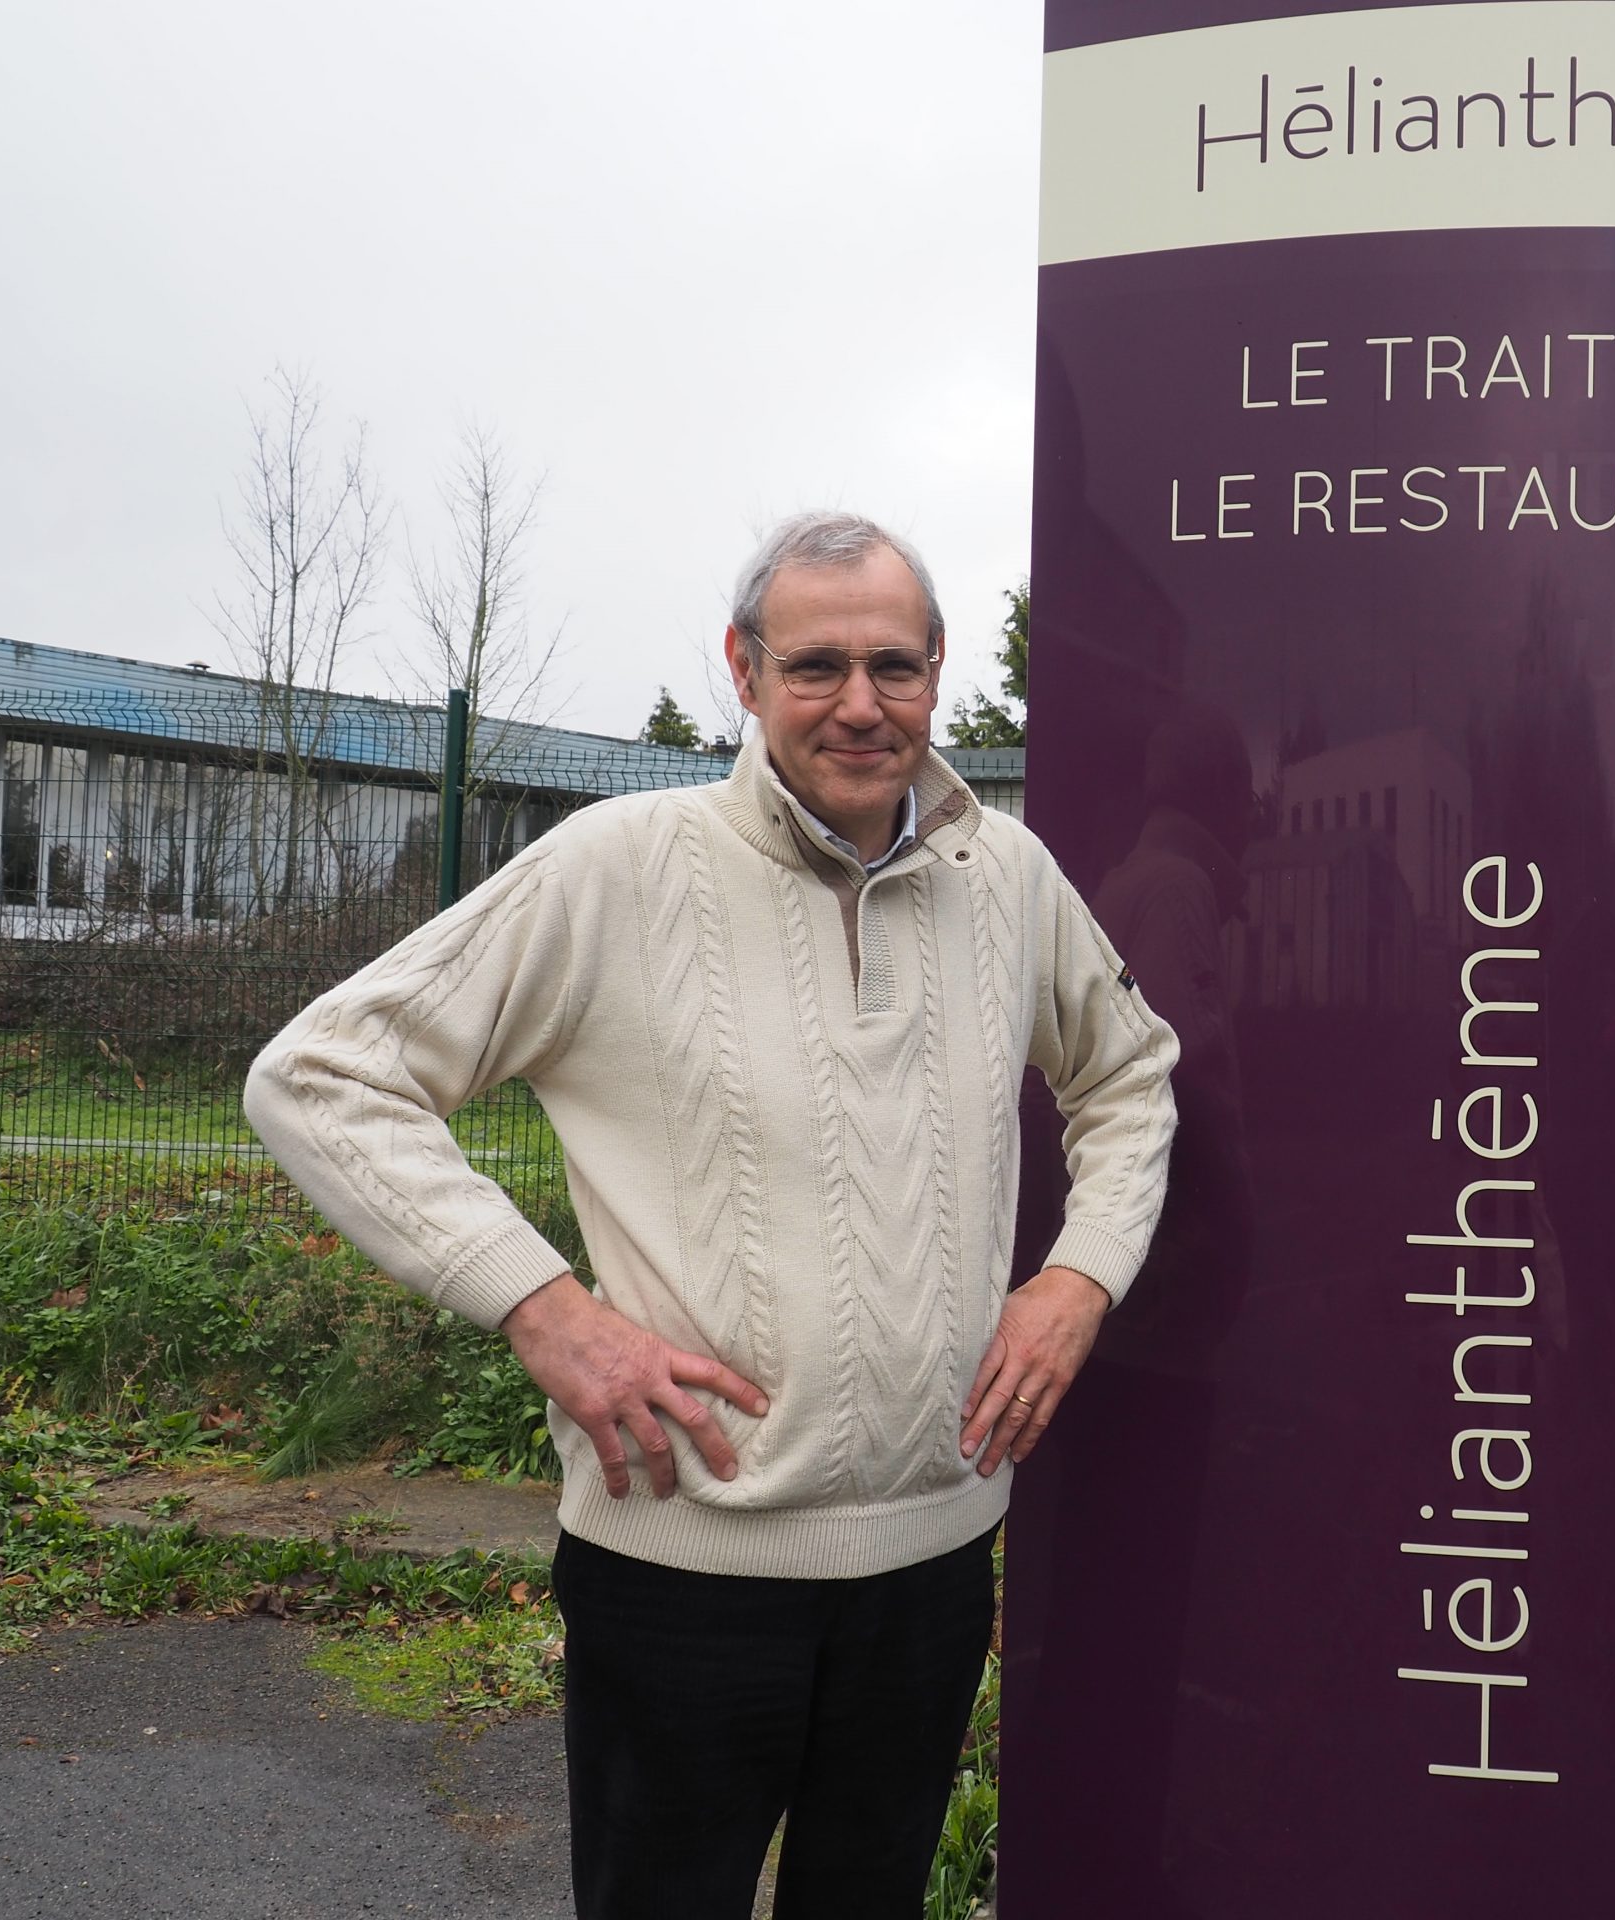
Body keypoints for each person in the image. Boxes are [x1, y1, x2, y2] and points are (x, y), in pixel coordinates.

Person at [244, 510, 1180, 1919]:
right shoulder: (617, 866)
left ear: (937, 670)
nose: (860, 706)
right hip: (682, 1564)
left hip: (931, 1557)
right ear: (744, 672)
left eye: (893, 666)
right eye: (815, 667)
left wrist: (1079, 1280)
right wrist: (544, 1310)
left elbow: (1129, 1076)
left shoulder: (1013, 879)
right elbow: (319, 1076)